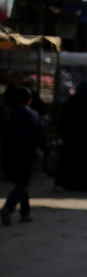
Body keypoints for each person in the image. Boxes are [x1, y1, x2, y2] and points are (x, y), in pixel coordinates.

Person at [1, 87, 47, 225]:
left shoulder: (9, 113)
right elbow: (39, 136)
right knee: (23, 183)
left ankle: (25, 212)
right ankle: (8, 207)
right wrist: (47, 150)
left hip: (10, 152)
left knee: (21, 182)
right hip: (26, 153)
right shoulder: (32, 115)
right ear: (29, 100)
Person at [55, 81, 87, 191]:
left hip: (72, 139)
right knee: (86, 163)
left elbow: (64, 121)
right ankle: (86, 185)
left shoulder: (71, 101)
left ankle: (70, 183)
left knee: (71, 162)